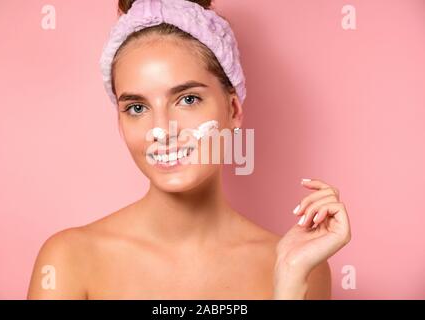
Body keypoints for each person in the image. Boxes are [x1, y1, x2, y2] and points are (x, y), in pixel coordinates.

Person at [27, 0, 351, 299]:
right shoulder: (68, 260)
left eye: (187, 100)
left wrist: (289, 284)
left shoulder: (300, 264)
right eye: (137, 108)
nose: (162, 130)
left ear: (234, 110)